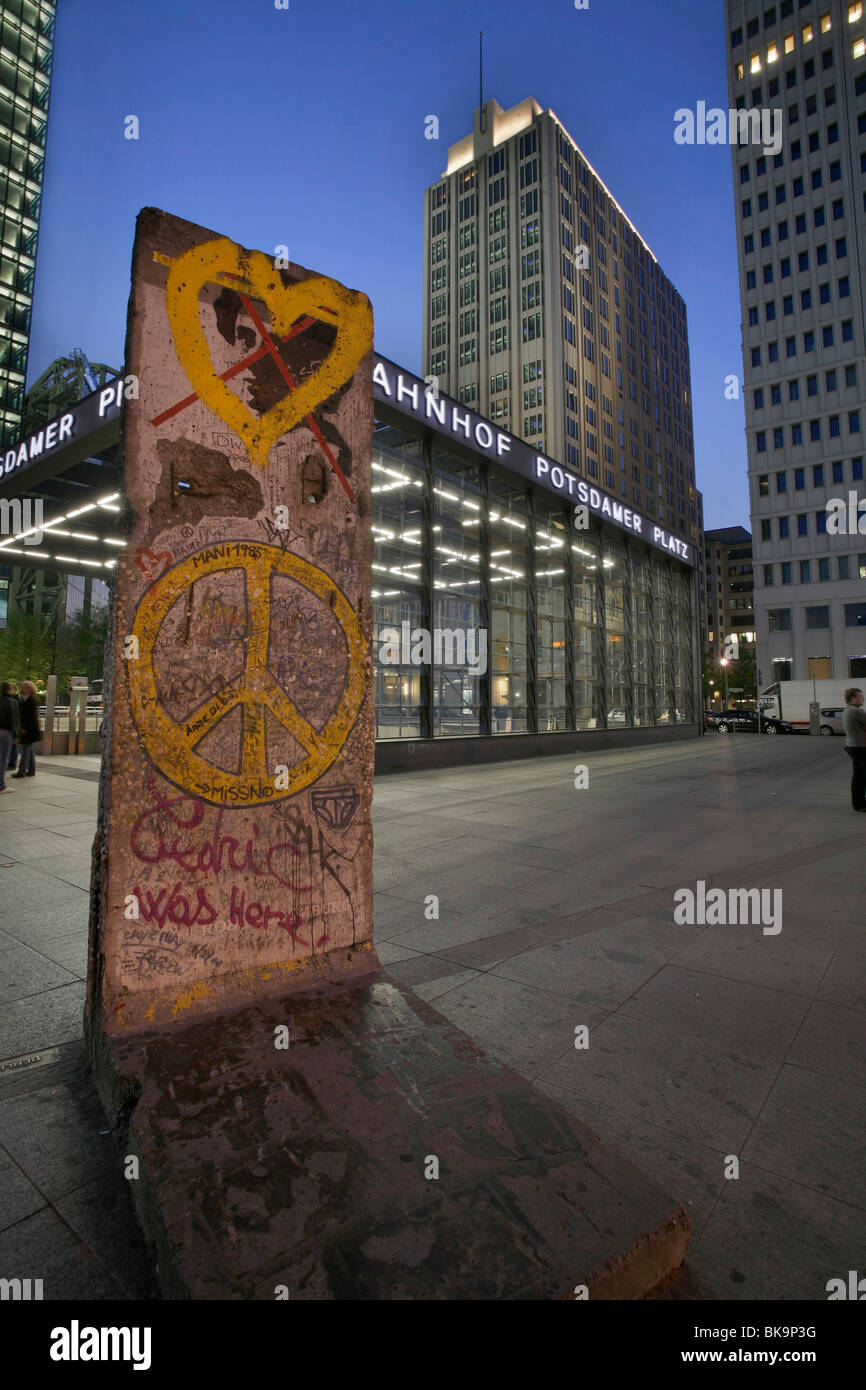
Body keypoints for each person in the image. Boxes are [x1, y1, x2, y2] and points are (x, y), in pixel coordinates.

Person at [842, 687, 866, 813]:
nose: (863, 698)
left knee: (858, 776)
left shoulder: (847, 710)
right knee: (860, 776)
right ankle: (860, 803)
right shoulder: (857, 711)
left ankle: (859, 803)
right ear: (853, 698)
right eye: (860, 696)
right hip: (861, 747)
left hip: (852, 746)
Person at [12, 680, 40, 779]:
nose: (24, 689)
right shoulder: (26, 698)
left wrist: (24, 729)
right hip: (30, 729)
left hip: (29, 729)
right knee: (29, 750)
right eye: (23, 687)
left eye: (26, 687)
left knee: (25, 750)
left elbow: (31, 717)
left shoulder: (31, 699)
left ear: (31, 688)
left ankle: (21, 771)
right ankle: (31, 770)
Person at [0, 681, 20, 793]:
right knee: (3, 759)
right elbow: (15, 720)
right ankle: (1, 786)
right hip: (6, 732)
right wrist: (16, 735)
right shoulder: (13, 702)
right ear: (9, 690)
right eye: (13, 688)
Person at [5, 681, 20, 771]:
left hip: (12, 727)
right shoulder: (13, 699)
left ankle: (12, 763)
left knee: (13, 746)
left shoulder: (15, 700)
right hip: (10, 727)